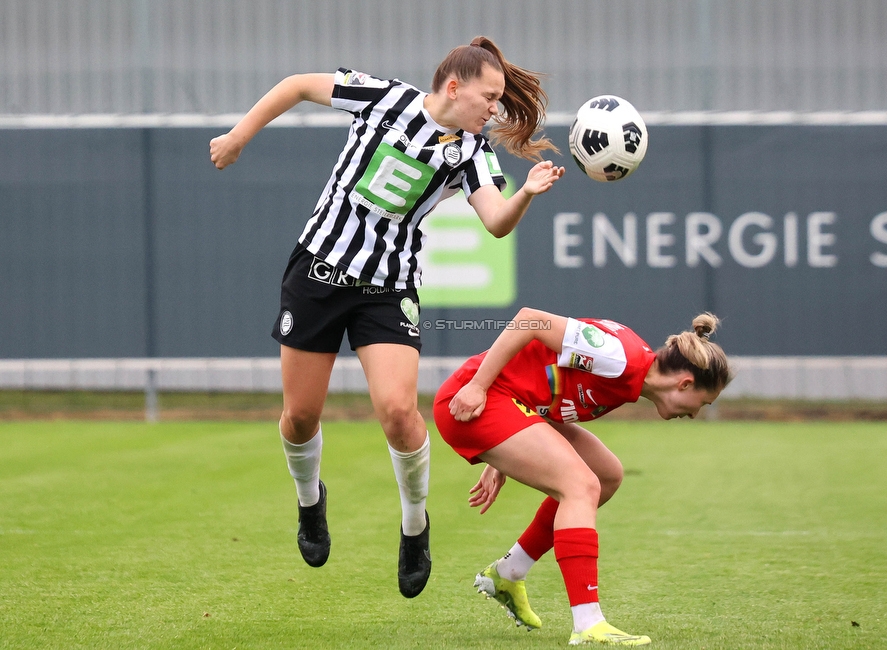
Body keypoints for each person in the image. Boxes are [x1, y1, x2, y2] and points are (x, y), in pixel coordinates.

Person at [209, 37, 565, 599]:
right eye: (489, 96)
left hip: (389, 288)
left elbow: (496, 221)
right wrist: (238, 136)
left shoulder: (472, 151)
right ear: (454, 87)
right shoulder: (383, 99)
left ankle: (415, 526)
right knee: (300, 418)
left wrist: (526, 193)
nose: (495, 109)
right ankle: (309, 503)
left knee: (399, 412)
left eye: (499, 100)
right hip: (318, 273)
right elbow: (298, 85)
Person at [433, 307, 731, 645]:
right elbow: (530, 321)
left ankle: (509, 572)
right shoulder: (620, 358)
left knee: (606, 475)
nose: (694, 414)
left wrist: (503, 456)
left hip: (510, 404)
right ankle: (588, 622)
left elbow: (545, 379)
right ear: (685, 382)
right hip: (472, 401)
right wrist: (477, 387)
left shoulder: (631, 376)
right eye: (701, 404)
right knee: (581, 485)